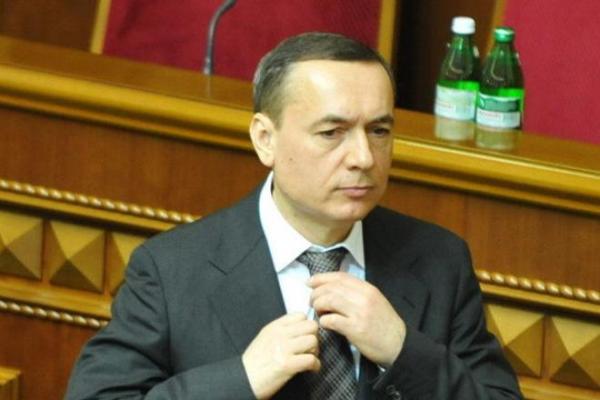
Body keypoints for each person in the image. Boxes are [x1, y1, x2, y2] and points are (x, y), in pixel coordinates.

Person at [65, 32, 522, 400]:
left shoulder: (439, 260)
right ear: (265, 139)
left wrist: (404, 352)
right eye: (332, 132)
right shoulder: (172, 270)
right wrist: (242, 379)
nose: (364, 157)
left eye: (379, 130)